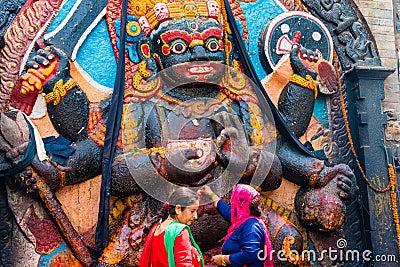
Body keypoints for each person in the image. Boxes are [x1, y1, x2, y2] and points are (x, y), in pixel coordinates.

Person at [198, 184, 273, 267]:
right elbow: (227, 212)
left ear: (239, 203)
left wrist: (223, 259)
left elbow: (250, 254)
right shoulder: (243, 218)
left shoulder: (252, 226)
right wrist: (210, 193)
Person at [139, 187, 204, 267]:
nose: (195, 216)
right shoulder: (179, 231)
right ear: (178, 209)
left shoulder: (156, 228)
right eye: (192, 211)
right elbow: (184, 265)